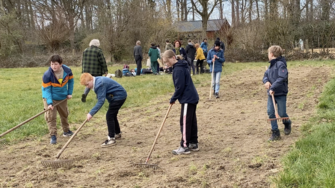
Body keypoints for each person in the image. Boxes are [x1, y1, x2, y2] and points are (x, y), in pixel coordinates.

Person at [162, 50, 199, 155]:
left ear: (173, 58)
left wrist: (173, 98)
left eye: (166, 61)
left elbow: (180, 87)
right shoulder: (181, 66)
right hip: (191, 97)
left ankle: (184, 146)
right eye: (164, 62)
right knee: (191, 121)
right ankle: (193, 142)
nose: (166, 64)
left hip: (187, 98)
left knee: (185, 123)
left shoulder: (178, 69)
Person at [80, 73, 127, 147]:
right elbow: (89, 87)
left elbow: (101, 101)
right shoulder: (94, 80)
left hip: (119, 96)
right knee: (112, 114)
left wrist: (91, 113)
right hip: (116, 96)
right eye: (85, 85)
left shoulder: (99, 85)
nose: (87, 86)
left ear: (91, 79)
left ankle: (111, 138)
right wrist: (84, 94)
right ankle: (117, 133)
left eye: (87, 84)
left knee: (109, 116)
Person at [42, 55, 74, 144]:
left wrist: (69, 93)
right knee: (51, 117)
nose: (53, 66)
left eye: (56, 64)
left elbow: (71, 81)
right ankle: (53, 135)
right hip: (50, 97)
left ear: (61, 64)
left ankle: (66, 131)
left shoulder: (67, 71)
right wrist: (49, 103)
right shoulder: (47, 75)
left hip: (62, 97)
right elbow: (47, 90)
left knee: (64, 114)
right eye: (52, 64)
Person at [263, 45, 291, 141]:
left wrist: (273, 87)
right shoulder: (270, 65)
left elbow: (282, 78)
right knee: (271, 112)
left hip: (280, 93)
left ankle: (287, 123)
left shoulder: (281, 65)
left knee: (282, 113)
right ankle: (275, 132)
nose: (268, 55)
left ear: (271, 54)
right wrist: (266, 81)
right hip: (271, 94)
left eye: (268, 53)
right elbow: (265, 75)